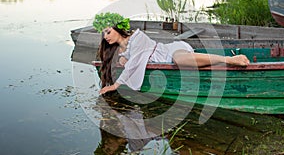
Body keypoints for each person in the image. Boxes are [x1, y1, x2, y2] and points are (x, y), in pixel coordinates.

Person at [95, 12, 250, 95]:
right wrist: (122, 60)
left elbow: (135, 61)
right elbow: (127, 60)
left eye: (108, 31)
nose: (106, 36)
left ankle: (229, 59)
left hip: (170, 51)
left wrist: (115, 85)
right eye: (104, 34)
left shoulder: (137, 37)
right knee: (181, 63)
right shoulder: (121, 49)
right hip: (166, 57)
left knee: (178, 61)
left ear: (117, 28)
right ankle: (210, 63)